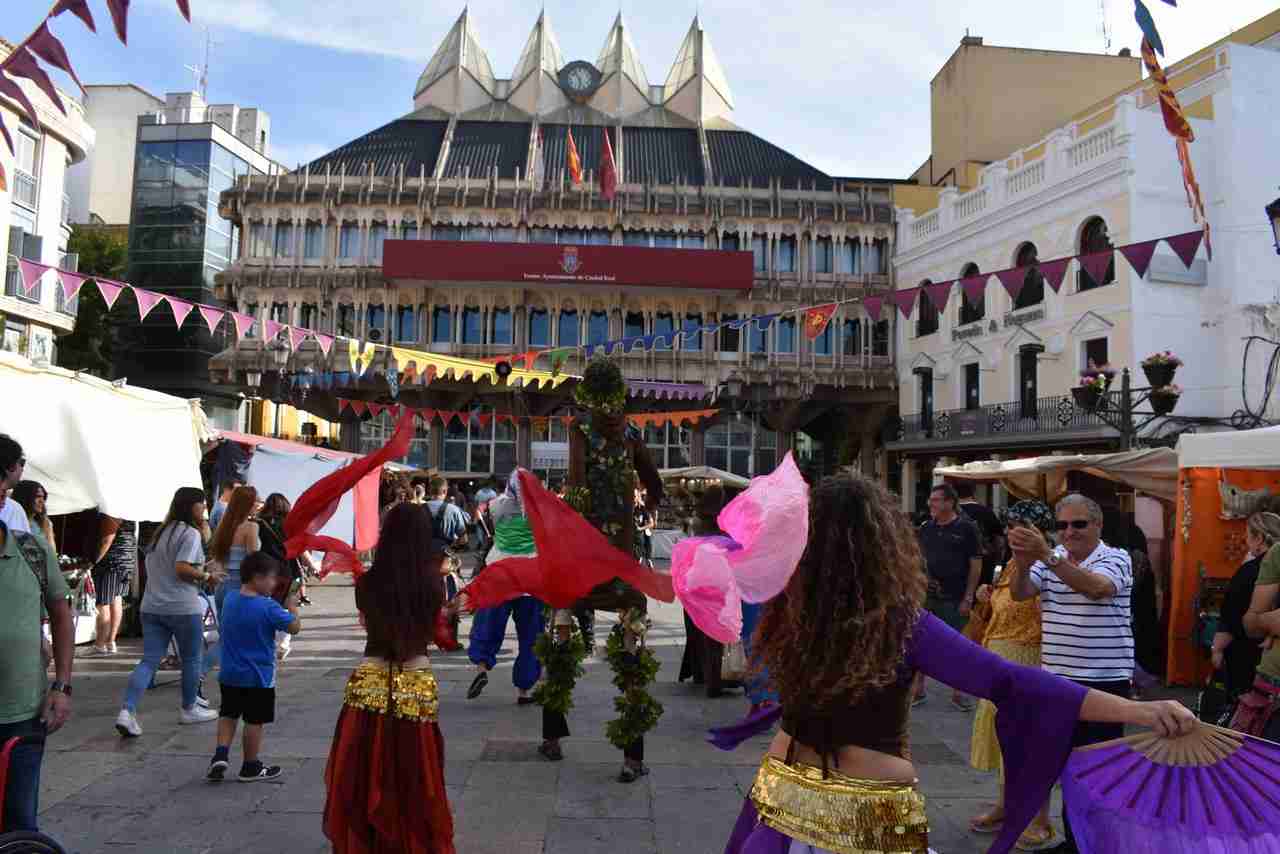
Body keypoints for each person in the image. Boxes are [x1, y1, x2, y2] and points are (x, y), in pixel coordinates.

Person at [719, 473, 1195, 854]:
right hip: (864, 810)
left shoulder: (791, 608)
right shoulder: (901, 625)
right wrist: (1139, 711)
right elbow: (1010, 682)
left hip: (781, 788)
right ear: (889, 545)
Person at [324, 502, 455, 853]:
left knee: (364, 761)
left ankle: (368, 835)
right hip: (415, 675)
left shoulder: (366, 582)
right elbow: (433, 633)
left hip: (370, 674)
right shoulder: (432, 585)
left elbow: (372, 622)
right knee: (415, 768)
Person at [1008, 492, 1135, 854]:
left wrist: (1047, 555)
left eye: (1078, 524)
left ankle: (1095, 844)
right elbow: (1020, 593)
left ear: (1098, 525)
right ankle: (1076, 842)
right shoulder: (1052, 559)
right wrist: (1021, 557)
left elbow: (1097, 589)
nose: (1069, 532)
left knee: (1097, 772)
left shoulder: (1116, 557)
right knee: (1061, 766)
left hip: (1103, 680)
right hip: (1057, 680)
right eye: (1062, 525)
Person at [966, 500, 1055, 849]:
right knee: (1003, 740)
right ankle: (1005, 806)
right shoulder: (1010, 564)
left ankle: (1040, 818)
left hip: (1028, 659)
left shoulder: (1048, 563)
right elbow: (1004, 605)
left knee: (1027, 742)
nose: (1010, 533)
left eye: (1018, 526)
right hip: (999, 659)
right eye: (1009, 527)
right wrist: (984, 595)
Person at [0, 435, 73, 834]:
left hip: (22, 715)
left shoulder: (30, 549)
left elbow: (62, 616)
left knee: (20, 825)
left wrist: (62, 687)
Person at [115, 487, 223, 738]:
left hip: (152, 606)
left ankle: (127, 710)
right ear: (192, 506)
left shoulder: (161, 533)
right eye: (202, 505)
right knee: (192, 659)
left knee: (149, 660)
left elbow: (170, 566)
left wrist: (201, 569)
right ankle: (189, 708)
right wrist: (207, 575)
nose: (204, 510)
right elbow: (181, 568)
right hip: (182, 606)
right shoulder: (190, 534)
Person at [207, 552, 301, 782]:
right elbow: (294, 627)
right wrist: (293, 606)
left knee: (228, 714)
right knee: (253, 720)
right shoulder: (268, 607)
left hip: (229, 673)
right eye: (271, 578)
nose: (274, 583)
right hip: (258, 675)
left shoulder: (229, 599)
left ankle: (220, 754)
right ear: (257, 578)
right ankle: (250, 765)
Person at [466, 474, 544, 705]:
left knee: (489, 623)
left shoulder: (494, 505)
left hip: (499, 573)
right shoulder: (538, 508)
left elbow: (489, 528)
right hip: (530, 578)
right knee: (531, 635)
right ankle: (524, 690)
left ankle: (481, 667)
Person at [914, 483, 982, 710]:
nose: (930, 504)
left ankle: (958, 692)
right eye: (930, 500)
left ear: (949, 502)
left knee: (956, 645)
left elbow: (975, 564)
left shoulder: (967, 528)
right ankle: (918, 690)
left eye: (935, 500)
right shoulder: (926, 528)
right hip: (927, 596)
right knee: (920, 641)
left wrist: (968, 597)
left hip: (955, 597)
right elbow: (917, 560)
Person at [1215, 513, 1280, 712]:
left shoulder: (1248, 571)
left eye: (1247, 536)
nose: (1246, 541)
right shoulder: (1269, 561)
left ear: (1259, 538)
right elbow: (1251, 618)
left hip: (1248, 657)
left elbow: (1231, 615)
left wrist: (1216, 649)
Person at [84, 514, 138, 657]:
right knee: (116, 600)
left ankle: (100, 644)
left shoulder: (112, 514)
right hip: (125, 563)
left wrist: (93, 561)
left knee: (103, 602)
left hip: (111, 565)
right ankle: (110, 642)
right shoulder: (129, 514)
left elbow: (107, 540)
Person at [957, 481, 1002, 586]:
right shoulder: (987, 512)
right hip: (984, 565)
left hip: (957, 567)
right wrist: (998, 560)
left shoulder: (951, 513)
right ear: (974, 491)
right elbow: (999, 541)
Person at [0, 435, 31, 535]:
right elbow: (29, 549)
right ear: (12, 466)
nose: (22, 469)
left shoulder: (15, 509)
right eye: (21, 463)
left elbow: (28, 549)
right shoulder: (14, 510)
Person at [12, 481, 55, 551]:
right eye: (38, 496)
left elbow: (51, 554)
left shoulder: (45, 524)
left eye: (43, 497)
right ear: (25, 497)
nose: (42, 501)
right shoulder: (11, 519)